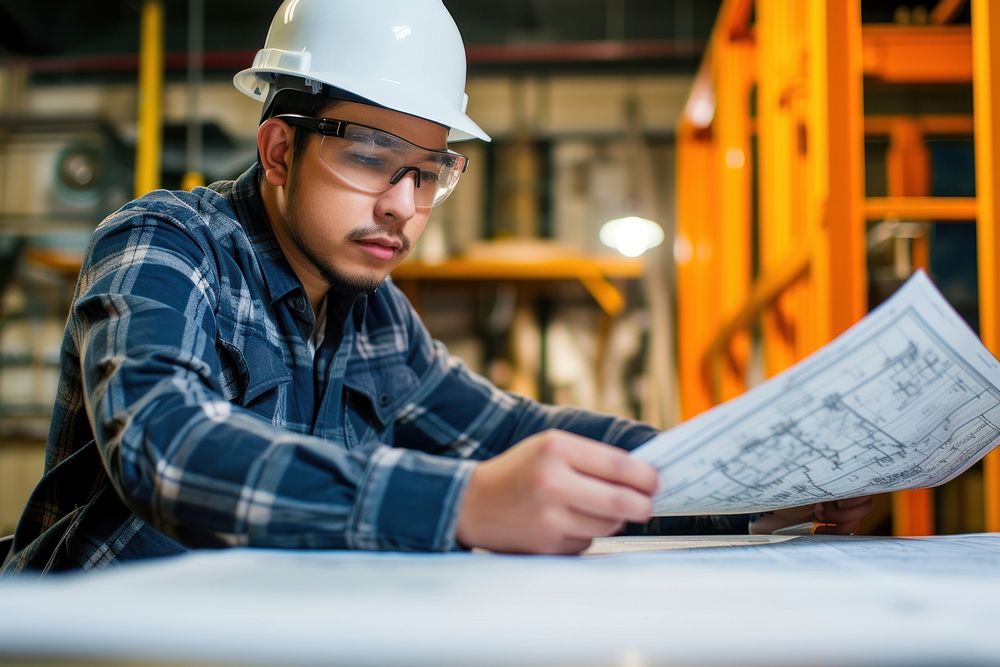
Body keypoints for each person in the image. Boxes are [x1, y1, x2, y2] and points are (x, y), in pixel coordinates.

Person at [1, 0, 871, 574]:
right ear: (277, 151)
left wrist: (741, 485)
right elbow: (169, 445)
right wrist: (463, 502)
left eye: (427, 172)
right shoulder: (165, 244)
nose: (403, 207)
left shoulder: (373, 317)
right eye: (371, 161)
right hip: (89, 643)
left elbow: (514, 432)